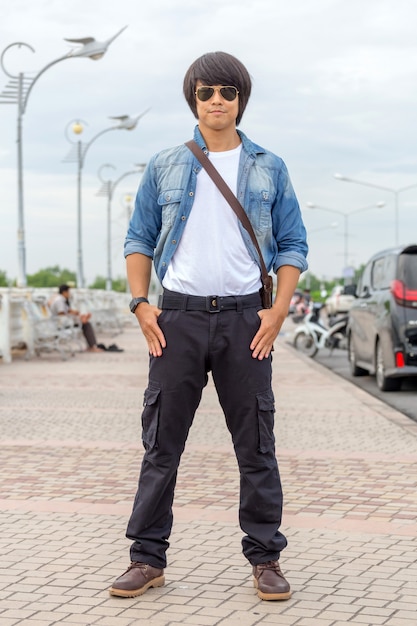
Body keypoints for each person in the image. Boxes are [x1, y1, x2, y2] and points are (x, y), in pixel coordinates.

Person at [109, 51, 308, 601]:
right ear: (192, 99)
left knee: (257, 445)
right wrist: (141, 304)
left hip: (248, 320)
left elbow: (293, 243)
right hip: (178, 318)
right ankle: (146, 558)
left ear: (240, 100)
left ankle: (266, 559)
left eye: (226, 91)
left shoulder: (269, 166)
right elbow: (138, 239)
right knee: (161, 445)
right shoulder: (166, 164)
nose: (216, 100)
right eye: (205, 92)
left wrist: (279, 308)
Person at [50, 284, 103, 353]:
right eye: (68, 292)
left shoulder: (61, 300)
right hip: (61, 324)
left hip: (61, 322)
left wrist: (77, 313)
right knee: (86, 324)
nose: (69, 294)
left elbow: (68, 310)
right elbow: (61, 314)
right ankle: (92, 346)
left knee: (84, 323)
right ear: (64, 292)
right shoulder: (59, 301)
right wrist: (75, 316)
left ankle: (82, 320)